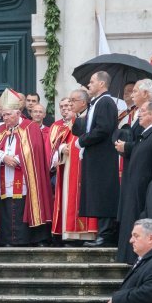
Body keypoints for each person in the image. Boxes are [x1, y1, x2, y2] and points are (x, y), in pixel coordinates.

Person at [0, 88, 51, 246]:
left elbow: (34, 150)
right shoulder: (1, 129)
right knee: (6, 207)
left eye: (8, 114)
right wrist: (3, 157)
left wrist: (16, 159)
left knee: (24, 205)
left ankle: (28, 239)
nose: (5, 118)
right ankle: (8, 239)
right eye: (3, 115)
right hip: (4, 174)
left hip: (25, 176)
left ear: (18, 113)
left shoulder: (31, 127)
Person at [115, 101, 152, 263]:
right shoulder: (147, 133)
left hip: (143, 192)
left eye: (143, 111)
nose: (139, 114)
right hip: (134, 190)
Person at [72, 71, 119, 247]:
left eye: (91, 82)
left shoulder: (105, 102)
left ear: (101, 84)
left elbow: (103, 129)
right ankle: (102, 232)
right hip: (96, 155)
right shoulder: (96, 103)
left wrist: (82, 141)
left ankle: (106, 234)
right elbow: (88, 126)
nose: (88, 85)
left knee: (103, 193)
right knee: (97, 193)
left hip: (103, 156)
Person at [51, 90, 98, 242]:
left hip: (85, 163)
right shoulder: (69, 122)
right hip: (70, 163)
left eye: (72, 101)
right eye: (67, 102)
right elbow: (61, 142)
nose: (69, 105)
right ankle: (70, 233)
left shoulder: (91, 118)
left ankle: (88, 233)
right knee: (70, 195)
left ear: (83, 103)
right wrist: (61, 149)